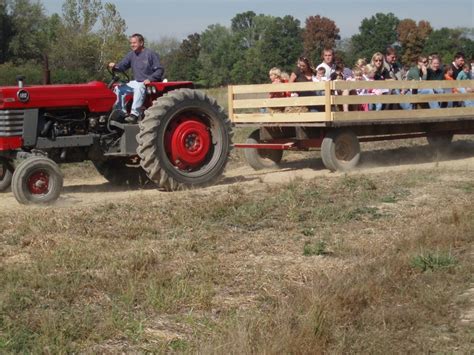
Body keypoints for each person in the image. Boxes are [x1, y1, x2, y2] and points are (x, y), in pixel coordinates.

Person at [108, 33, 164, 123]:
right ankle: (121, 112)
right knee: (118, 88)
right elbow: (122, 66)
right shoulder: (131, 55)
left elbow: (159, 70)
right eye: (131, 43)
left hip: (150, 84)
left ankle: (134, 114)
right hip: (137, 82)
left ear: (141, 43)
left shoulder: (150, 54)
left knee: (139, 86)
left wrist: (150, 79)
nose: (132, 45)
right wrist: (115, 66)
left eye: (134, 43)